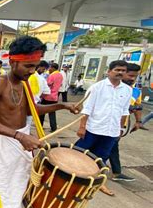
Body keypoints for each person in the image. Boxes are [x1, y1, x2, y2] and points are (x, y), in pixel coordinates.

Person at [0, 36, 78, 208]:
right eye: (28, 66)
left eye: (35, 66)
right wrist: (19, 136)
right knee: (0, 188)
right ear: (13, 61)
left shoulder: (24, 84)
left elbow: (32, 109)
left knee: (20, 186)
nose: (32, 71)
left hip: (23, 140)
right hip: (5, 142)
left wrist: (61, 105)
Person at [75, 60, 132, 197]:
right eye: (117, 70)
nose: (120, 72)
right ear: (109, 71)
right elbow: (87, 108)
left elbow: (125, 111)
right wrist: (82, 127)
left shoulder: (127, 90)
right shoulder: (97, 87)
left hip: (111, 131)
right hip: (93, 128)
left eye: (123, 71)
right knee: (80, 154)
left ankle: (98, 182)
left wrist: (120, 129)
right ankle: (74, 178)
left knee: (101, 158)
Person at [105, 63, 144, 188]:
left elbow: (138, 106)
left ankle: (114, 171)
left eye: (135, 76)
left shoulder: (136, 91)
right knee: (108, 146)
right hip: (103, 124)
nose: (132, 79)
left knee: (111, 146)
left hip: (120, 125)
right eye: (130, 75)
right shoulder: (108, 87)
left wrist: (138, 121)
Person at [39, 63, 63, 132]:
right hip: (55, 97)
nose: (49, 69)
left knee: (42, 112)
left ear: (53, 68)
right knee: (52, 113)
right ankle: (53, 127)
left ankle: (40, 126)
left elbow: (47, 84)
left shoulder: (52, 76)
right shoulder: (60, 75)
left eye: (50, 68)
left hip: (48, 96)